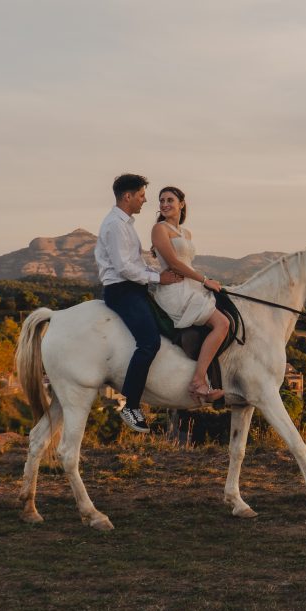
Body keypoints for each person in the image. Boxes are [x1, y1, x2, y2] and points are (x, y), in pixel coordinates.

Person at [95, 173, 182, 432]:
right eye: (142, 195)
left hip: (135, 286)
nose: (145, 200)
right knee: (148, 343)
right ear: (127, 196)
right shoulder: (115, 225)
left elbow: (135, 262)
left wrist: (158, 271)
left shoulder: (126, 224)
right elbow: (124, 269)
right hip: (122, 290)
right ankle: (131, 406)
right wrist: (159, 278)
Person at [150, 186, 228, 403]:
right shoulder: (159, 229)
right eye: (162, 200)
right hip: (174, 291)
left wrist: (203, 283)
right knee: (222, 324)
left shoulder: (187, 233)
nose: (165, 204)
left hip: (190, 286)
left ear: (181, 204)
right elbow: (174, 263)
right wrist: (204, 280)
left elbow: (186, 262)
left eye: (169, 200)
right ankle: (198, 381)